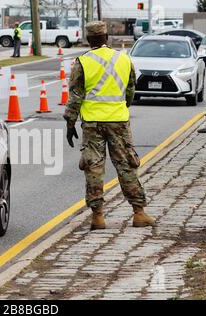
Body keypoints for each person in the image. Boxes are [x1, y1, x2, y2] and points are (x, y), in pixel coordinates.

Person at [63, 21, 155, 230]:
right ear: (106, 38)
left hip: (92, 123)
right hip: (118, 121)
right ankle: (139, 213)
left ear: (89, 40)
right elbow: (131, 89)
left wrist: (70, 123)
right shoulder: (124, 59)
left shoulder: (83, 62)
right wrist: (123, 106)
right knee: (126, 165)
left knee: (93, 167)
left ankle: (98, 217)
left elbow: (76, 95)